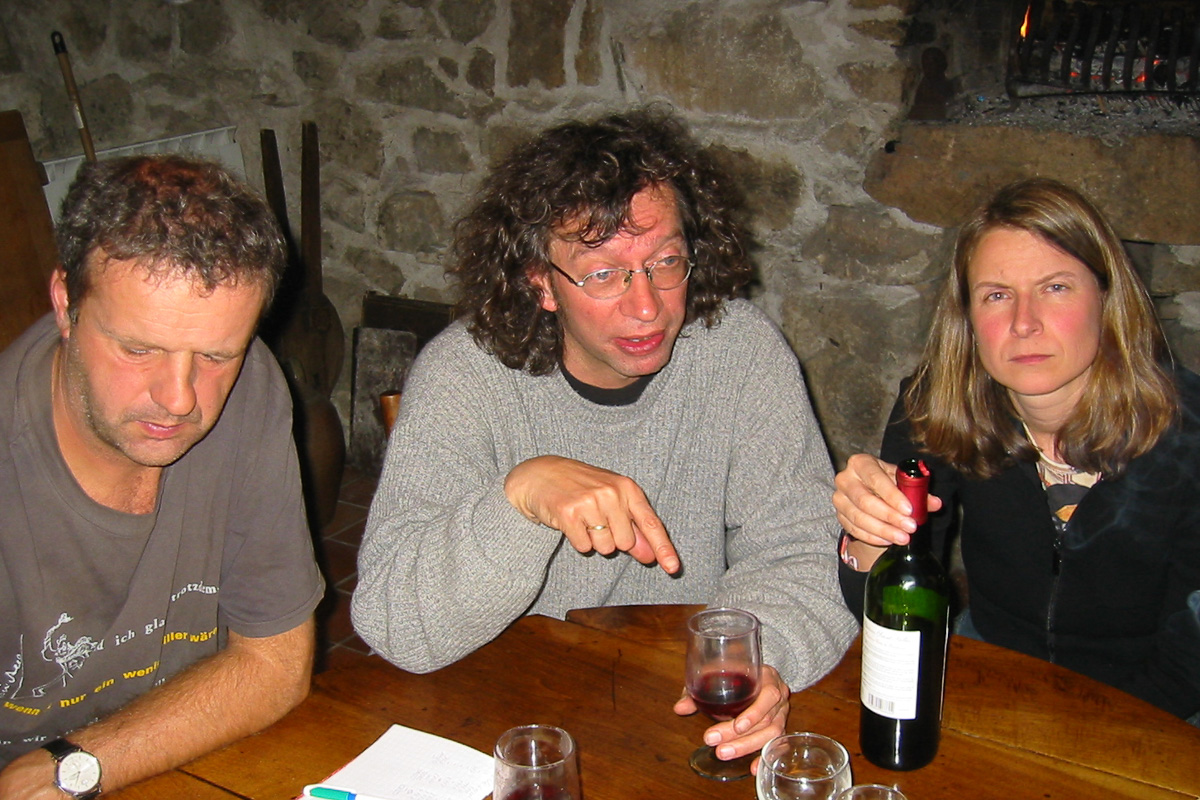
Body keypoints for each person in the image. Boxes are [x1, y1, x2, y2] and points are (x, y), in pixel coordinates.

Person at [352, 108, 857, 766]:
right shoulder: (462, 377)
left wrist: (755, 658)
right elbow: (396, 625)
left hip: (681, 716)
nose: (646, 306)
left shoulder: (742, 353)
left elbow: (805, 551)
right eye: (602, 274)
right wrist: (518, 500)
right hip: (509, 721)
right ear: (541, 282)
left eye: (665, 261)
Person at [0, 155, 326, 795]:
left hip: (178, 764)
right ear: (66, 303)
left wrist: (74, 767)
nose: (179, 399)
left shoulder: (251, 386)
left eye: (215, 355)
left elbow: (276, 664)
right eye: (138, 349)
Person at [834, 178, 1200, 723]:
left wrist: (1077, 736)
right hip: (991, 672)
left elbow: (1189, 659)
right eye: (997, 295)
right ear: (968, 317)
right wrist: (869, 535)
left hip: (1152, 709)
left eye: (1055, 287)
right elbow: (891, 610)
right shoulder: (936, 404)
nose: (1024, 323)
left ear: (1107, 298)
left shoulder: (1187, 432)